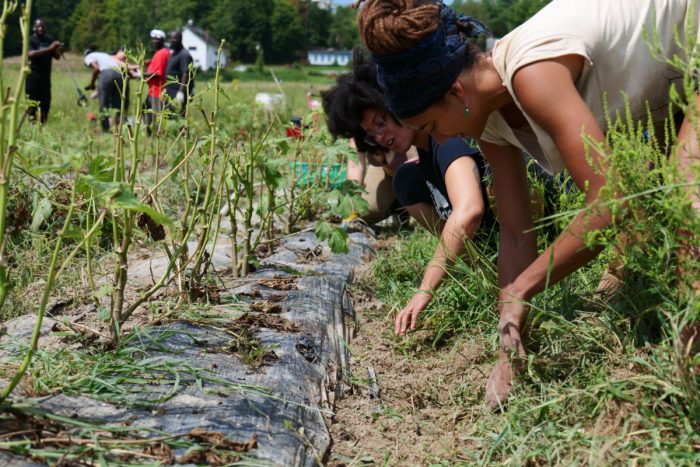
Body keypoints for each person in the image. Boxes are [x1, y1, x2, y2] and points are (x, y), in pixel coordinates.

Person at [356, 0, 700, 407]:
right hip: (669, 72)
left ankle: (682, 398)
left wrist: (523, 289)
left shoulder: (532, 73)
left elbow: (610, 204)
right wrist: (508, 339)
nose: (441, 138)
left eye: (432, 125)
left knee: (685, 208)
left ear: (455, 92)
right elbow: (517, 235)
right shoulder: (490, 121)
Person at [26, 19, 63, 124]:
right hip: (33, 77)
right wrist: (50, 48)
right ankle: (31, 125)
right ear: (34, 28)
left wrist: (58, 49)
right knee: (32, 103)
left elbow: (57, 57)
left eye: (42, 26)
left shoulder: (49, 40)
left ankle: (42, 125)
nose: (41, 28)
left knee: (45, 103)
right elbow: (31, 54)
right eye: (38, 26)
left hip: (46, 77)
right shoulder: (31, 40)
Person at [84, 49, 129, 132]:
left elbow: (96, 69)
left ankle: (105, 130)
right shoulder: (105, 55)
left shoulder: (88, 57)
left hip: (106, 75)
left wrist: (92, 83)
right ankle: (118, 129)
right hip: (119, 76)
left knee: (104, 105)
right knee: (117, 105)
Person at [144, 29, 170, 130]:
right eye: (153, 39)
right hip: (153, 91)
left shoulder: (161, 53)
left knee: (155, 118)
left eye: (156, 39)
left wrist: (141, 74)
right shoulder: (160, 52)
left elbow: (157, 73)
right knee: (148, 116)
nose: (154, 41)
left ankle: (156, 137)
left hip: (157, 92)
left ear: (162, 40)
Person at [165, 31, 194, 116]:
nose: (172, 42)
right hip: (170, 91)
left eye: (174, 40)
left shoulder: (184, 55)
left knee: (178, 117)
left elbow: (186, 73)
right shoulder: (174, 53)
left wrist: (181, 92)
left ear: (180, 40)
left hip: (177, 92)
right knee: (170, 115)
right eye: (171, 40)